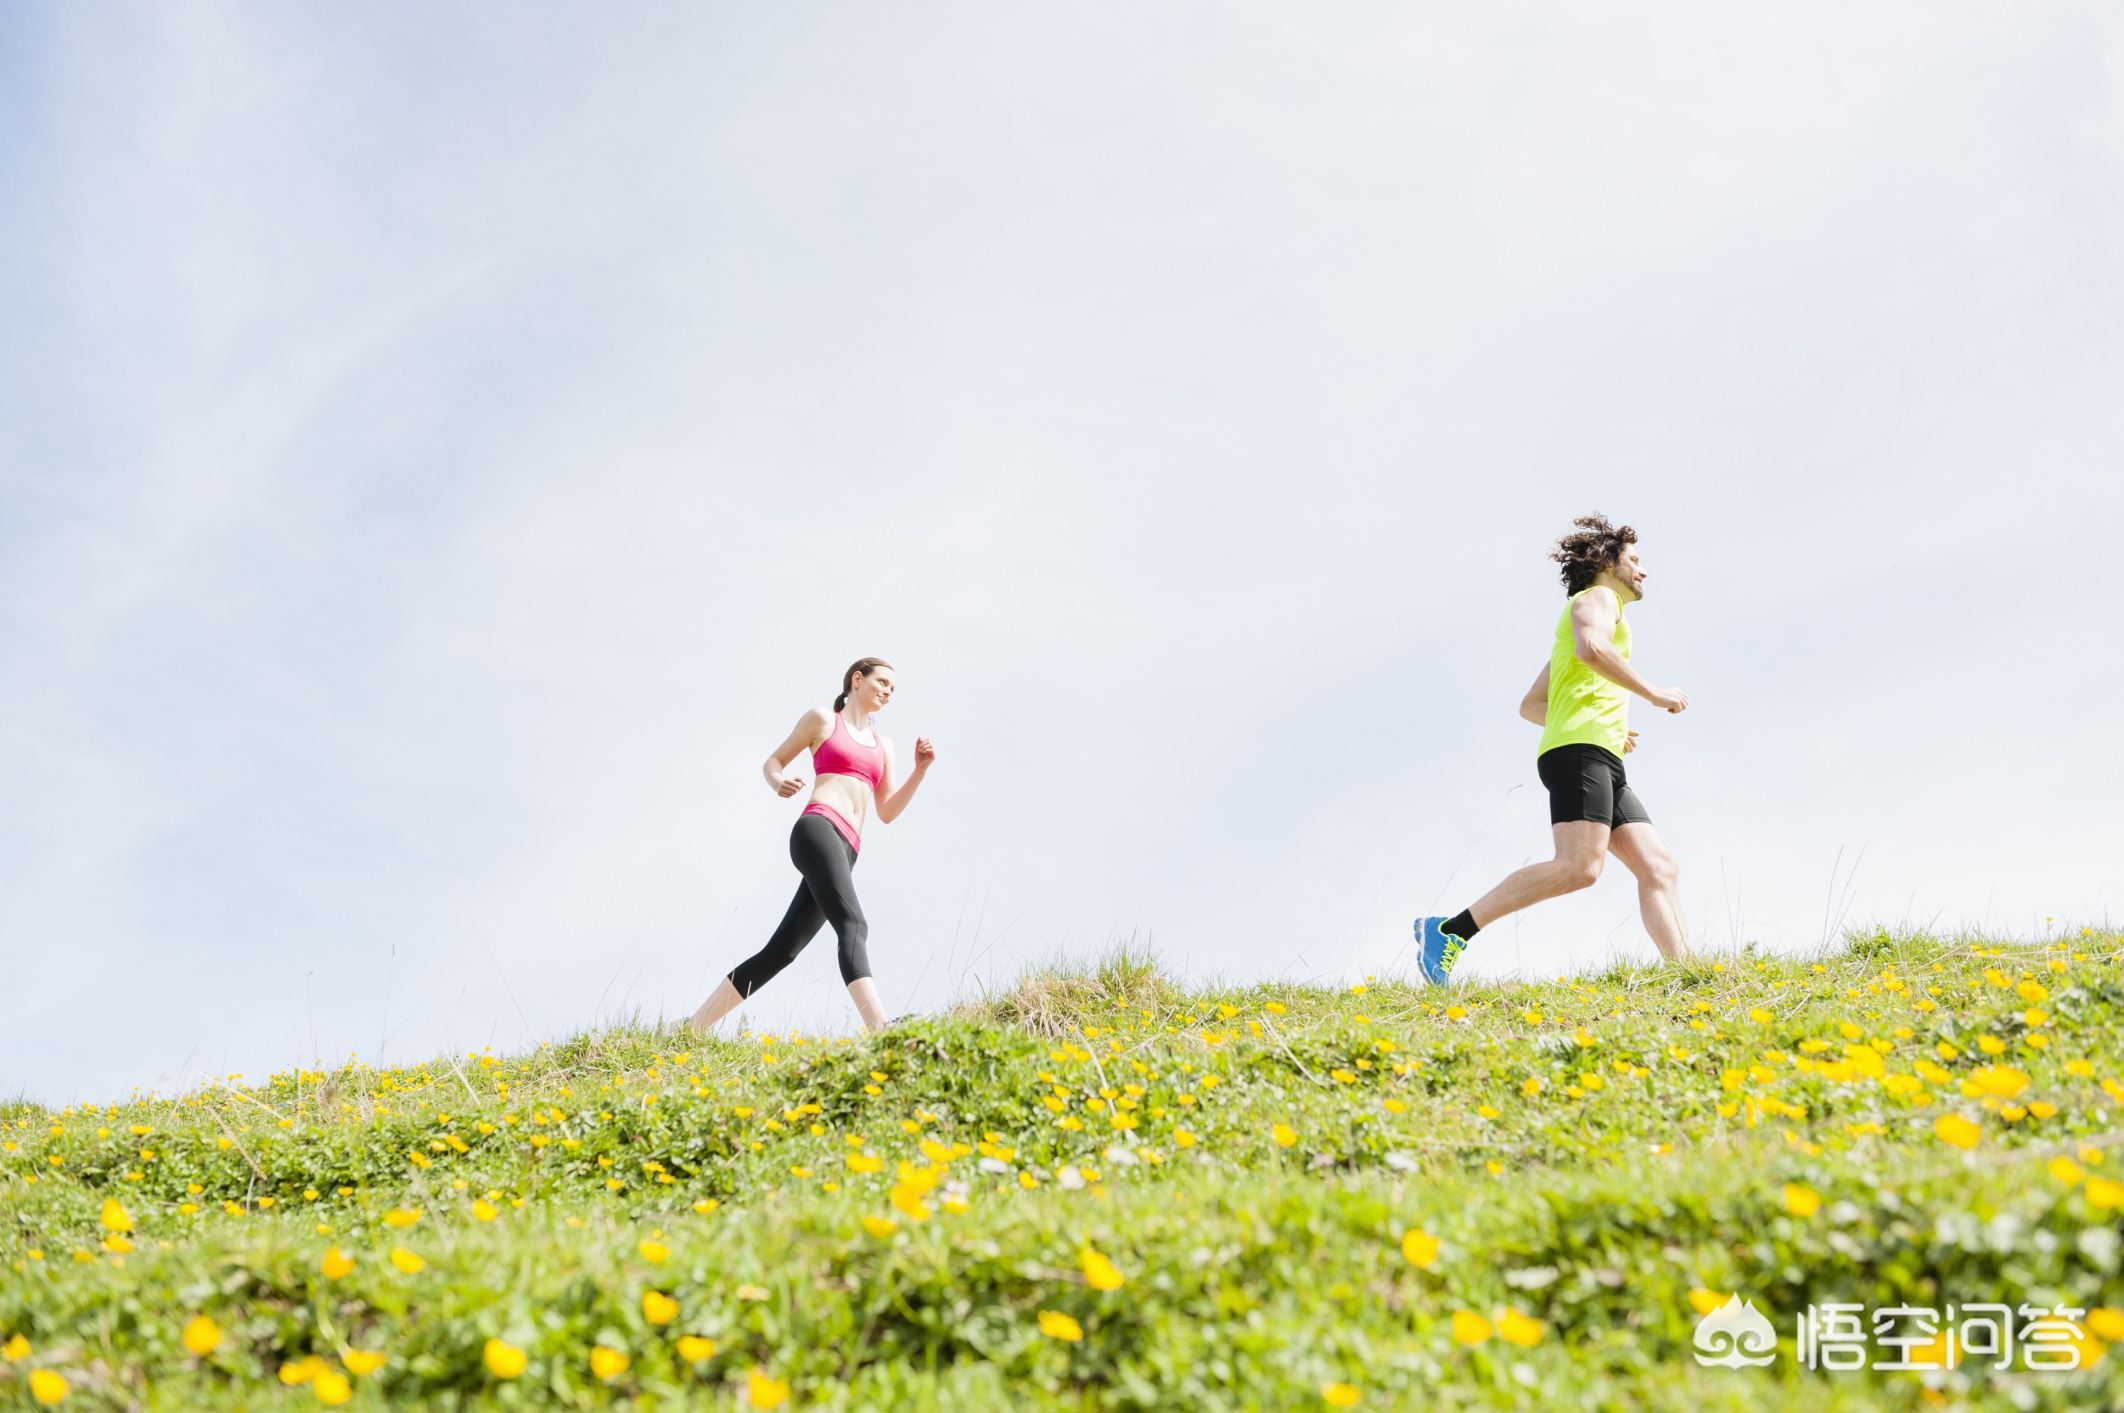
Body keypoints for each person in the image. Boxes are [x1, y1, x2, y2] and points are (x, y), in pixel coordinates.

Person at [1416, 515, 1690, 983]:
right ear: (1607, 563)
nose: (1644, 571)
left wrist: (1605, 725)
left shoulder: (1580, 620)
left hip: (1596, 750)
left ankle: (1689, 975)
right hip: (1579, 752)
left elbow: (1532, 705)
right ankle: (1448, 931)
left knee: (1658, 865)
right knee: (1579, 867)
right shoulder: (1597, 600)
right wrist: (1654, 694)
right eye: (1635, 561)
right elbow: (1593, 650)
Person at [690, 657, 935, 1032]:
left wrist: (919, 772)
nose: (888, 691)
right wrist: (778, 782)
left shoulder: (884, 745)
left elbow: (886, 811)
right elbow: (774, 760)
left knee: (782, 952)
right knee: (853, 924)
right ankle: (881, 1028)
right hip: (817, 829)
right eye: (882, 682)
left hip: (848, 848)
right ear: (857, 680)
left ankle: (690, 1028)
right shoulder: (824, 720)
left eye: (893, 689)